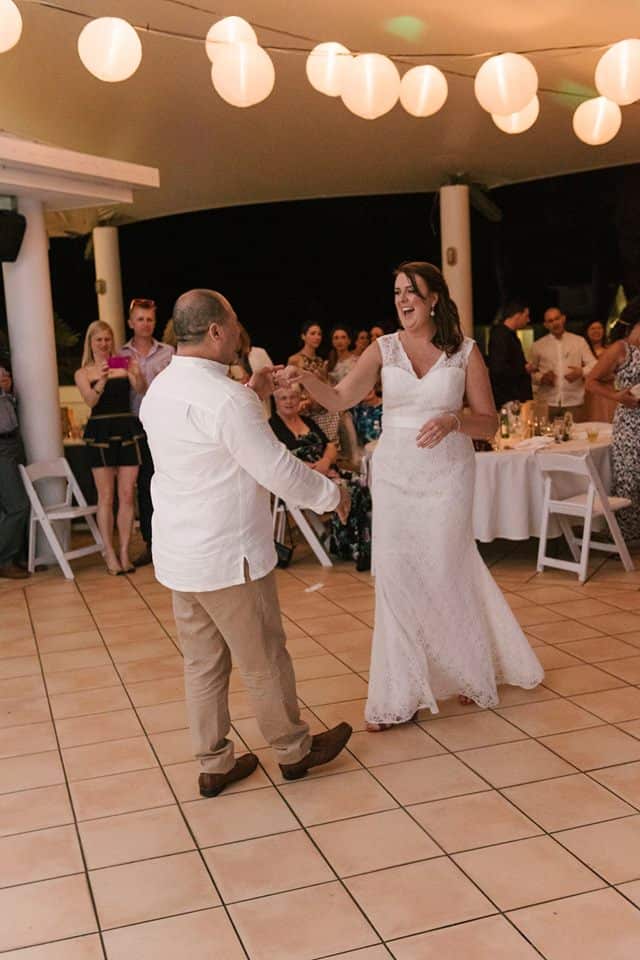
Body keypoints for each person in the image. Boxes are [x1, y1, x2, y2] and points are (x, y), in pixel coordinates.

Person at [278, 261, 543, 730]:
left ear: (434, 298)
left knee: (446, 568)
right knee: (396, 577)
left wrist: (454, 420)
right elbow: (340, 398)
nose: (402, 300)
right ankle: (397, 695)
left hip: (447, 474)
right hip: (396, 474)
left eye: (412, 292)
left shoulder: (465, 351)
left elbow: (489, 421)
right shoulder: (383, 349)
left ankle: (464, 667)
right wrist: (305, 381)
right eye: (397, 291)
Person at [140, 289, 353, 797]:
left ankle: (214, 762)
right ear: (215, 331)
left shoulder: (160, 389)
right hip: (227, 555)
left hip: (181, 555)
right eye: (233, 322)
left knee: (203, 663)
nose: (238, 331)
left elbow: (219, 444)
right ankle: (293, 751)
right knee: (263, 658)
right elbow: (275, 467)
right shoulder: (226, 399)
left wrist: (253, 392)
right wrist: (331, 494)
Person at [270, 384, 372, 570]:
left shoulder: (307, 421)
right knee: (350, 489)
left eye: (293, 397)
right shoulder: (271, 426)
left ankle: (361, 546)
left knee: (364, 482)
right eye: (283, 398)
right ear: (275, 401)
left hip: (328, 470)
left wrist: (325, 461)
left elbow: (330, 445)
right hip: (302, 479)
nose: (289, 402)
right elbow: (278, 459)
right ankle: (350, 547)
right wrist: (313, 470)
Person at [75, 321, 146, 575]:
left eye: (107, 339)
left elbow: (141, 390)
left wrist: (137, 374)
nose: (104, 344)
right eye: (99, 340)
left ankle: (125, 552)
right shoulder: (83, 372)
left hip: (126, 426)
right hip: (100, 431)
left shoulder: (123, 363)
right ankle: (109, 552)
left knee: (127, 494)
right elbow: (90, 400)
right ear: (91, 343)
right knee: (106, 497)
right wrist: (102, 380)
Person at [118, 298, 174, 568]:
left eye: (149, 319)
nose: (145, 324)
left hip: (165, 424)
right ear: (131, 323)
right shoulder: (120, 354)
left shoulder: (169, 352)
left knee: (170, 482)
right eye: (140, 319)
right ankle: (151, 544)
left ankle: (175, 541)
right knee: (144, 487)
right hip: (135, 426)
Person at [586, 298, 640, 545]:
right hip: (630, 424)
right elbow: (591, 382)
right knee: (630, 478)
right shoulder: (621, 348)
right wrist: (617, 396)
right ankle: (627, 538)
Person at [528, 307, 595, 421]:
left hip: (573, 402)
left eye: (557, 319)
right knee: (545, 438)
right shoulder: (538, 345)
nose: (555, 323)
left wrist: (581, 372)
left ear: (563, 319)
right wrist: (541, 378)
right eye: (550, 321)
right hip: (547, 403)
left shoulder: (579, 341)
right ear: (546, 325)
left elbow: (594, 364)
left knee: (576, 437)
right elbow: (530, 371)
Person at [0, 363, 30, 579]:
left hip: (14, 442)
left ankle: (17, 557)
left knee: (17, 504)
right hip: (1, 448)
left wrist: (8, 390)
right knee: (17, 505)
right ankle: (5, 560)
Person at [288, 321, 340, 443]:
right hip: (306, 408)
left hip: (323, 407)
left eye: (319, 334)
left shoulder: (320, 360)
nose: (317, 337)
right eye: (313, 333)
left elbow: (325, 385)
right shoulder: (296, 359)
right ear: (303, 336)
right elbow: (292, 386)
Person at [488, 300, 533, 409]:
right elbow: (498, 368)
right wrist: (524, 369)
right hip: (509, 399)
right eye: (526, 316)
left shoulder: (509, 335)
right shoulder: (501, 335)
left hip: (513, 398)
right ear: (517, 315)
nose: (528, 320)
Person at [228, 324, 274, 418]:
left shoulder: (259, 353)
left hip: (264, 412)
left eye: (236, 335)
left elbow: (272, 381)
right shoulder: (224, 360)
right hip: (239, 414)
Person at [584, 320, 617, 422]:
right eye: (593, 328)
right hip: (588, 392)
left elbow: (616, 371)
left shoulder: (611, 349)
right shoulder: (583, 351)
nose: (596, 331)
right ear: (586, 332)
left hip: (607, 392)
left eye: (599, 328)